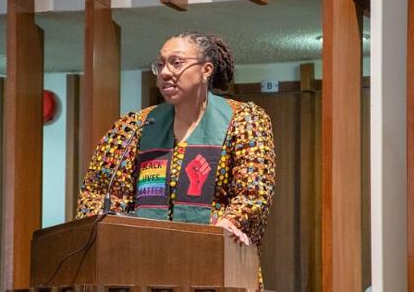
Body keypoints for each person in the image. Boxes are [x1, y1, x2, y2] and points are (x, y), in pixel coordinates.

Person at [76, 31, 275, 285]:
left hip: (218, 265)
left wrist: (227, 223)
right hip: (142, 267)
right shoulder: (136, 127)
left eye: (176, 63)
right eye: (160, 64)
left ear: (206, 69)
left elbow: (254, 191)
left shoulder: (243, 120)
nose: (165, 72)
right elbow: (97, 194)